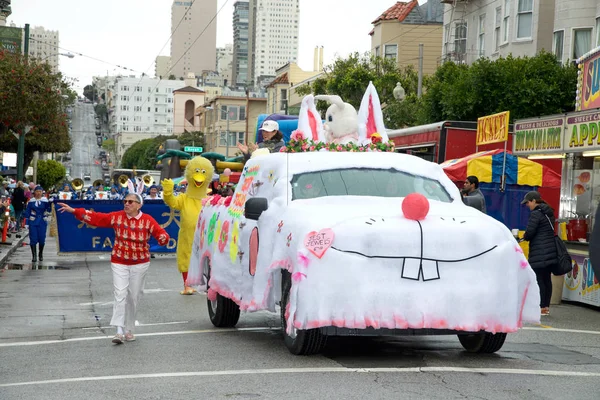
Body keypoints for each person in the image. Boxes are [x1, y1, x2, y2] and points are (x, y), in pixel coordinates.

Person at [57, 193, 170, 344]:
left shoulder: (147, 220)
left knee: (134, 297)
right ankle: (118, 331)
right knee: (120, 293)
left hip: (140, 262)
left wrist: (164, 238)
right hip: (119, 261)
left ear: (139, 205)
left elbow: (160, 232)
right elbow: (97, 218)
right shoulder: (117, 217)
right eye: (125, 201)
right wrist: (75, 211)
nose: (127, 204)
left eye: (131, 202)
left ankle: (129, 329)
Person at [521, 191, 557, 316]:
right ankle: (546, 306)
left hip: (539, 250)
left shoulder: (536, 214)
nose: (527, 205)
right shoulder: (548, 212)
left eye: (528, 202)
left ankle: (541, 306)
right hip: (550, 250)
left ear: (534, 201)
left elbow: (530, 232)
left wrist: (524, 236)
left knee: (539, 279)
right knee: (547, 279)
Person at [23, 186, 52, 262]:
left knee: (42, 239)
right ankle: (34, 256)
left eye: (40, 191)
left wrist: (50, 203)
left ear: (42, 192)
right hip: (33, 222)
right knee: (33, 239)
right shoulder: (31, 201)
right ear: (34, 192)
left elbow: (49, 210)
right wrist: (27, 222)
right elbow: (27, 212)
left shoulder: (45, 201)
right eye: (37, 191)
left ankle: (40, 254)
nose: (38, 193)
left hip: (42, 222)